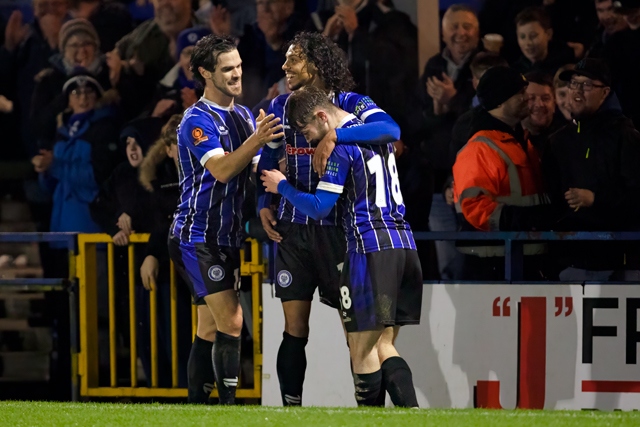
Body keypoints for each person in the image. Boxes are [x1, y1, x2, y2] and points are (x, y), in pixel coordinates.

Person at [256, 31, 401, 407]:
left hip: (340, 230)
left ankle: (369, 411)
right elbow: (269, 160)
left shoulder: (351, 103)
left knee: (355, 333)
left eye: (294, 58)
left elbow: (391, 130)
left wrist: (334, 134)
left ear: (317, 63)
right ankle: (291, 410)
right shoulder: (280, 107)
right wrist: (262, 202)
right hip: (292, 230)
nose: (285, 66)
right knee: (294, 327)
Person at [167, 34, 284, 405]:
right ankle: (229, 409)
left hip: (227, 236)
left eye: (238, 67)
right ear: (205, 73)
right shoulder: (195, 119)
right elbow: (220, 169)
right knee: (233, 321)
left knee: (208, 327)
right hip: (196, 235)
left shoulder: (244, 115)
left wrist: (276, 162)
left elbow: (250, 170)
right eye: (227, 69)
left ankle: (198, 408)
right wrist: (257, 140)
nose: (236, 75)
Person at [543, 58, 640, 281]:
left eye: (587, 85)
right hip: (570, 260)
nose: (577, 91)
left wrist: (596, 199)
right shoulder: (557, 141)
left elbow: (636, 195)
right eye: (574, 83)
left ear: (605, 92)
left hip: (620, 261)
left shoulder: (625, 136)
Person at [452, 66, 552, 280]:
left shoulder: (520, 140)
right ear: (500, 101)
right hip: (492, 264)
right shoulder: (481, 148)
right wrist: (524, 218)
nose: (528, 99)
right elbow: (475, 206)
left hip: (522, 256)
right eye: (520, 94)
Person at [510, 7, 577, 76]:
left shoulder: (564, 65)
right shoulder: (515, 71)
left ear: (548, 34)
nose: (528, 43)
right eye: (522, 37)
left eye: (533, 36)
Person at [521, 71, 564, 157]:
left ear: (555, 102)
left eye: (545, 98)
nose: (539, 104)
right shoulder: (509, 139)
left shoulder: (565, 139)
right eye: (531, 98)